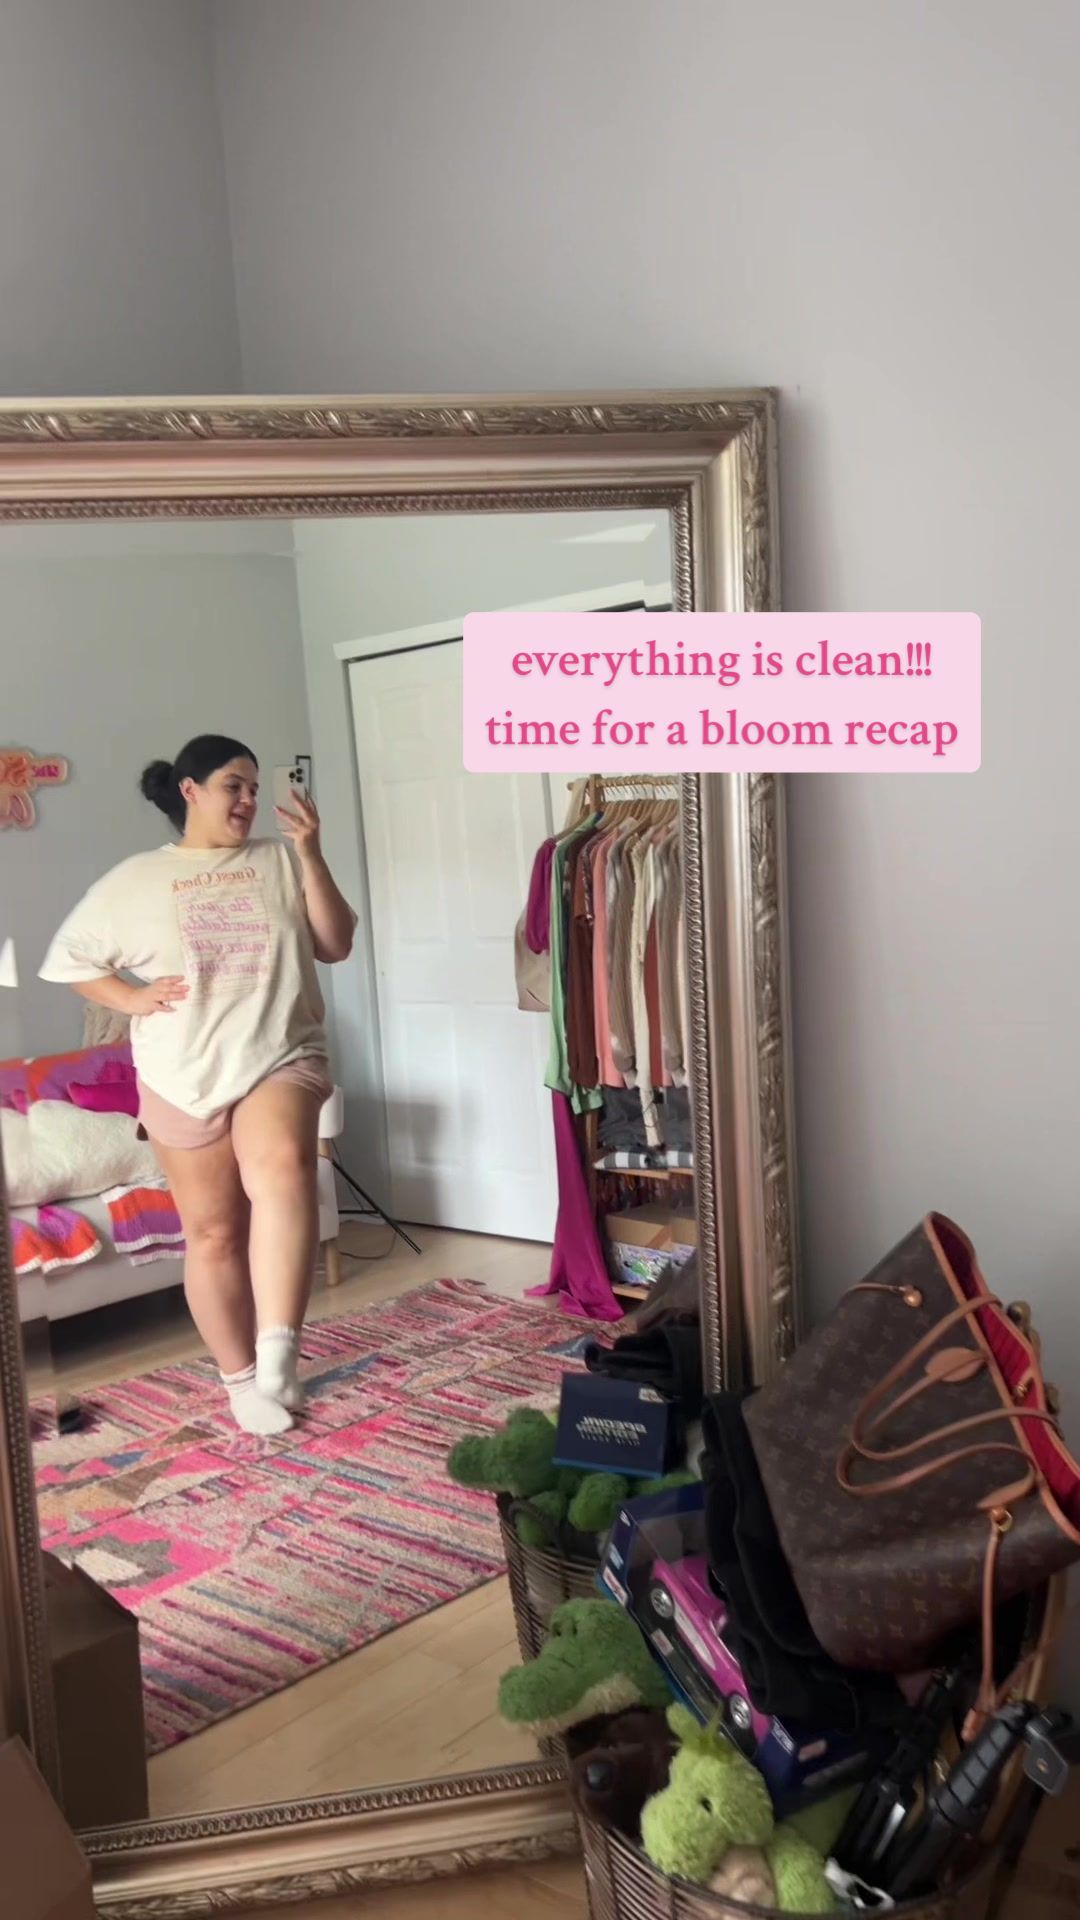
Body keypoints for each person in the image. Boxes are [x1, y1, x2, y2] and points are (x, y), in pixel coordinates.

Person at [40, 735, 357, 1435]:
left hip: (279, 1052)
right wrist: (130, 998)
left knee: (283, 1170)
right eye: (232, 786)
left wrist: (310, 852)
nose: (248, 801)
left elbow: (336, 943)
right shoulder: (135, 879)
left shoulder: (278, 859)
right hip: (179, 1072)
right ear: (190, 790)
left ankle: (279, 1353)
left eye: (253, 788)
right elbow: (69, 960)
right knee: (212, 1233)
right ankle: (241, 1382)